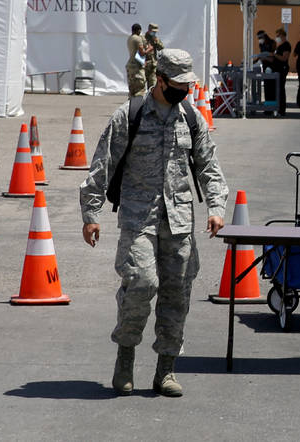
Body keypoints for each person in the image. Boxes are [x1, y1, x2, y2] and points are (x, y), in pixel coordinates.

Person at [80, 48, 229, 398]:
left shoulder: (190, 117)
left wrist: (217, 206)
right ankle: (125, 360)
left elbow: (208, 166)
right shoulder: (129, 115)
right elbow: (103, 164)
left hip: (179, 221)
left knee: (177, 294)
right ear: (160, 80)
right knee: (141, 283)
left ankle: (166, 370)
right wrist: (91, 213)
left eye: (189, 84)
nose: (186, 90)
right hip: (138, 217)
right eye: (179, 84)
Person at [126, 23, 152, 96]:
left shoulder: (130, 38)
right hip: (137, 67)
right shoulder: (138, 39)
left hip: (130, 66)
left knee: (132, 90)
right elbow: (142, 53)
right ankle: (138, 106)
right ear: (139, 30)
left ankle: (131, 105)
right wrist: (149, 49)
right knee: (140, 90)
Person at [271, 27, 292, 115]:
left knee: (281, 89)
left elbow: (284, 58)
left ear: (283, 35)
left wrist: (275, 55)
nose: (277, 37)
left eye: (278, 36)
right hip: (277, 69)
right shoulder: (280, 45)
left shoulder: (286, 45)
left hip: (282, 69)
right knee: (277, 89)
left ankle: (282, 109)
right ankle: (278, 108)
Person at [143, 23, 164, 92]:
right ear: (149, 30)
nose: (154, 33)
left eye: (155, 32)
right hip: (144, 64)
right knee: (141, 85)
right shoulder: (143, 38)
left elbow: (161, 48)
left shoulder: (155, 39)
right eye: (153, 31)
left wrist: (156, 41)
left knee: (153, 85)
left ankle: (151, 100)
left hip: (153, 65)